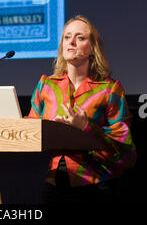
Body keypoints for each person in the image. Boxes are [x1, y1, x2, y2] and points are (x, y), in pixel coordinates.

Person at [28, 15, 137, 204]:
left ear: (92, 48)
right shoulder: (45, 85)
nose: (71, 42)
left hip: (93, 183)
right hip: (52, 180)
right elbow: (29, 129)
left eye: (80, 37)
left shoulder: (109, 90)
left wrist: (85, 127)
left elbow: (125, 148)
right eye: (66, 37)